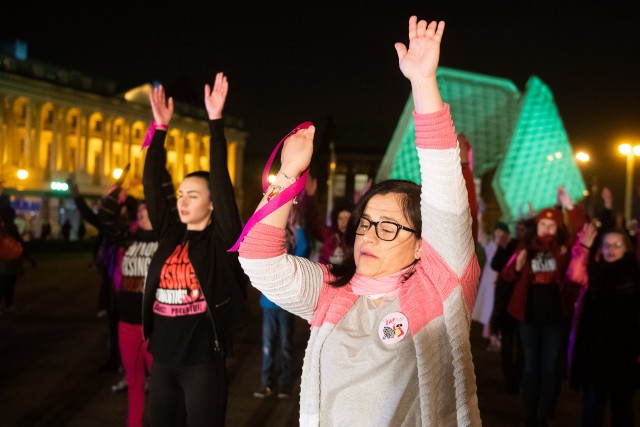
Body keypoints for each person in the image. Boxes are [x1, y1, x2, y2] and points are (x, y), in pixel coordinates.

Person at [237, 17, 482, 425]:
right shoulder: (332, 291)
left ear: (424, 241)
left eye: (389, 227)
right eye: (366, 223)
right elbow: (258, 261)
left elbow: (444, 185)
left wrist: (423, 83)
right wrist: (288, 176)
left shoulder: (442, 287)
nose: (369, 235)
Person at [142, 71, 249, 426]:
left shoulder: (222, 242)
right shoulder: (171, 233)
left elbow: (221, 186)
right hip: (162, 360)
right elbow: (153, 187)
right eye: (181, 194)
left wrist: (215, 122)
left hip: (202, 362)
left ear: (212, 204)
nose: (183, 201)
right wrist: (159, 131)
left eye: (194, 195)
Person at [502, 186, 585, 427]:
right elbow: (508, 274)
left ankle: (545, 413)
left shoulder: (564, 248)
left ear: (558, 227)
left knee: (550, 367)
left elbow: (580, 231)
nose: (547, 229)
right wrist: (517, 266)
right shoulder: (526, 247)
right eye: (543, 225)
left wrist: (569, 206)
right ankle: (529, 411)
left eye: (551, 225)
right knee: (530, 365)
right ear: (536, 227)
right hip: (528, 316)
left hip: (556, 318)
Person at [566, 223, 640, 427]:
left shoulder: (634, 273)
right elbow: (575, 275)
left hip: (624, 354)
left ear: (626, 248)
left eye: (617, 244)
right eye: (607, 245)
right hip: (595, 355)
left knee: (623, 408)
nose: (611, 249)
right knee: (592, 406)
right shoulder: (594, 271)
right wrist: (585, 248)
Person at [99, 182, 157, 427]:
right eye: (140, 212)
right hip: (127, 324)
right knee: (134, 381)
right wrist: (115, 195)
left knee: (162, 383)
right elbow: (106, 219)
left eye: (147, 211)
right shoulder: (128, 239)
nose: (142, 214)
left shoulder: (166, 242)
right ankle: (134, 423)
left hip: (156, 326)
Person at [254, 200, 311, 399]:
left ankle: (285, 383)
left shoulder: (293, 258)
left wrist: (298, 225)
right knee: (268, 346)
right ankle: (266, 383)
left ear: (290, 241)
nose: (283, 240)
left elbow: (305, 246)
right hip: (268, 308)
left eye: (286, 237)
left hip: (286, 307)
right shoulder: (268, 257)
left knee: (286, 345)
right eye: (280, 237)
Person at [489, 218, 532, 394]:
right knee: (508, 344)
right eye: (518, 227)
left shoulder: (530, 248)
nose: (520, 230)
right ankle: (510, 380)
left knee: (522, 345)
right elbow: (495, 265)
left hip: (523, 302)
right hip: (506, 303)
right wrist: (502, 246)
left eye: (524, 228)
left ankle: (517, 378)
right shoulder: (511, 245)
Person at [303, 176, 352, 265]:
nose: (344, 222)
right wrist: (310, 196)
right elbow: (313, 223)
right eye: (340, 218)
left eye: (347, 218)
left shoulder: (356, 240)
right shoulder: (330, 235)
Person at [0, 206, 24, 315]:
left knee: (7, 284)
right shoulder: (9, 228)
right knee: (7, 284)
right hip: (8, 261)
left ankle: (8, 305)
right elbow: (18, 243)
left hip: (6, 261)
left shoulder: (5, 228)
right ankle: (8, 305)